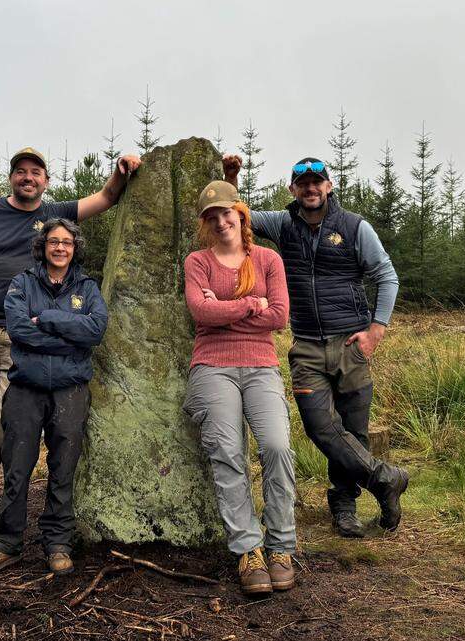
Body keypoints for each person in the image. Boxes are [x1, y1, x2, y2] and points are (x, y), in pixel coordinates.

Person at [0, 147, 139, 541]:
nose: (28, 177)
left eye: (36, 172)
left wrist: (122, 170)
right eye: (20, 171)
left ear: (46, 181)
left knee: (4, 423)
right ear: (11, 178)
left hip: (26, 337)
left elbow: (107, 197)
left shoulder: (53, 218)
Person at [223, 155, 409, 539]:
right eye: (302, 183)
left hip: (352, 343)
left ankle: (344, 507)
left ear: (329, 186)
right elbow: (235, 217)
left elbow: (386, 276)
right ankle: (385, 478)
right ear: (292, 189)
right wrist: (231, 176)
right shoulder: (282, 224)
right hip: (306, 345)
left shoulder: (355, 227)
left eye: (317, 182)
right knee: (321, 427)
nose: (310, 188)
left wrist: (377, 331)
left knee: (353, 431)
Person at [0, 219, 107, 576]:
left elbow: (95, 330)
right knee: (17, 468)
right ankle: (6, 543)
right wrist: (68, 338)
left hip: (70, 390)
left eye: (67, 243)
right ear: (43, 246)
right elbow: (18, 330)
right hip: (26, 389)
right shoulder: (22, 283)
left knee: (63, 469)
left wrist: (45, 317)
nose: (60, 248)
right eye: (53, 242)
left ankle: (57, 542)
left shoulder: (87, 287)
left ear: (75, 248)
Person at [182, 180, 297, 595]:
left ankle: (282, 547)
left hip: (262, 366)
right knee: (228, 454)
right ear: (205, 224)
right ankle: (249, 551)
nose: (221, 220)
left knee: (276, 446)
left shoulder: (267, 259)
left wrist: (222, 310)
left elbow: (280, 316)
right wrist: (251, 304)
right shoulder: (197, 262)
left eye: (226, 212)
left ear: (240, 214)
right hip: (212, 366)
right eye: (211, 216)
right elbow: (200, 310)